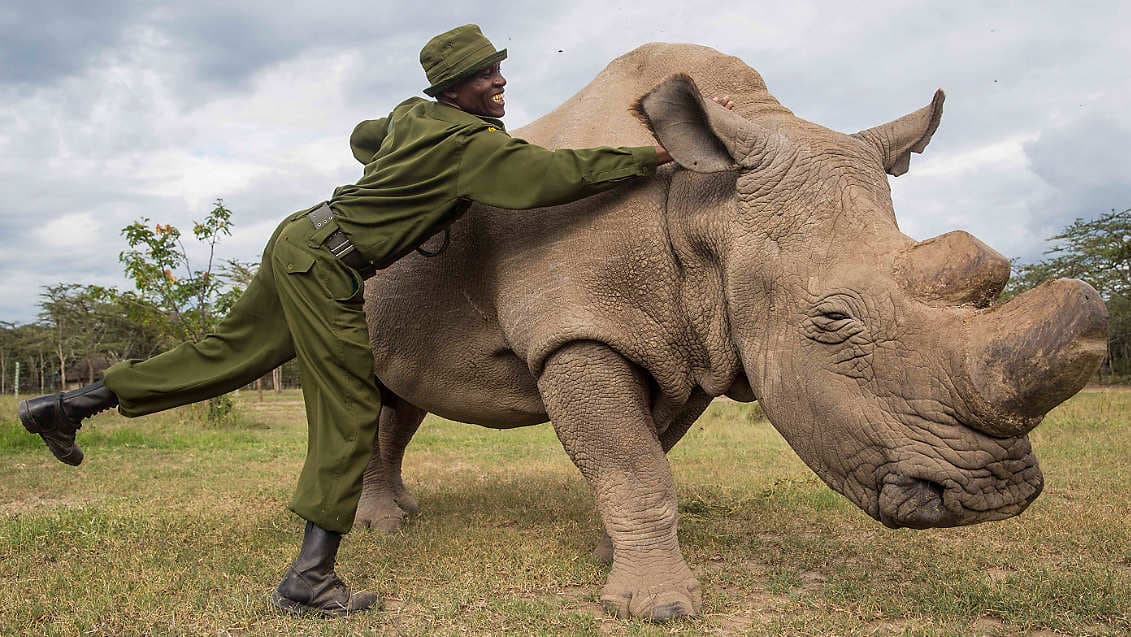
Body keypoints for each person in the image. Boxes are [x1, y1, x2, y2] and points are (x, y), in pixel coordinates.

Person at [18, 24, 730, 617]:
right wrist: (654, 154)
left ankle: (72, 403)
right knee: (352, 407)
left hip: (302, 236)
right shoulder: (473, 147)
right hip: (328, 265)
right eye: (484, 78)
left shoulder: (413, 117)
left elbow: (367, 136)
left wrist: (399, 173)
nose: (498, 83)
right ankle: (310, 578)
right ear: (453, 90)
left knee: (224, 355)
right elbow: (550, 178)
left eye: (497, 71)